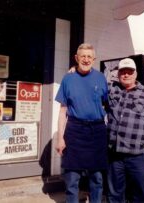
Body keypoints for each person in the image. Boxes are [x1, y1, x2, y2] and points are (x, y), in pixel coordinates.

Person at [55, 43, 108, 203]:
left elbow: (106, 104)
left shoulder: (100, 78)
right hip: (75, 130)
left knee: (97, 178)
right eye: (82, 56)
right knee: (72, 179)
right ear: (76, 58)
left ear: (94, 59)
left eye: (89, 56)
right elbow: (63, 111)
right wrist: (60, 138)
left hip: (97, 131)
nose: (86, 59)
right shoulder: (68, 79)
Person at [106, 58, 144, 203]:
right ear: (118, 75)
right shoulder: (112, 90)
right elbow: (94, 85)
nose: (126, 75)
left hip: (137, 155)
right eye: (122, 72)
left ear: (135, 74)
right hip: (115, 155)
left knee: (141, 194)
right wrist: (76, 72)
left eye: (129, 72)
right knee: (114, 194)